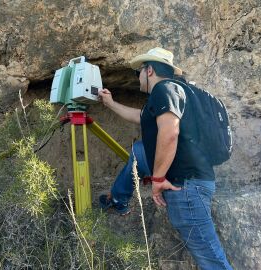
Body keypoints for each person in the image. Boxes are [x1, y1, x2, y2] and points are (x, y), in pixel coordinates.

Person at [98, 47, 233, 270]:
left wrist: (158, 179)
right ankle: (118, 199)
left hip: (186, 187)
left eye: (138, 72)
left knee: (213, 261)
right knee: (140, 150)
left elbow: (170, 133)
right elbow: (140, 117)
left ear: (149, 70)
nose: (138, 77)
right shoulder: (182, 91)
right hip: (198, 180)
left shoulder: (162, 89)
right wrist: (110, 103)